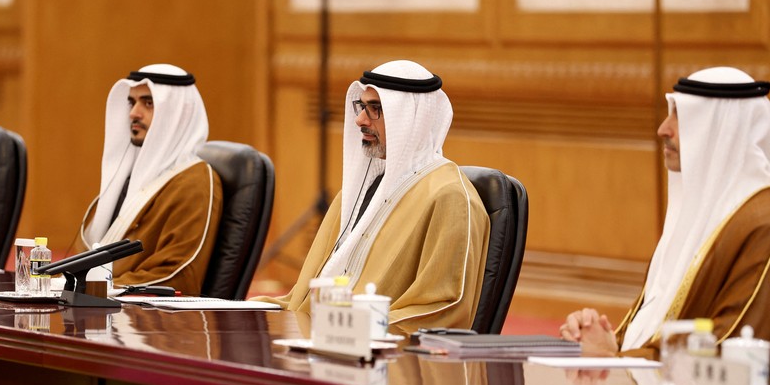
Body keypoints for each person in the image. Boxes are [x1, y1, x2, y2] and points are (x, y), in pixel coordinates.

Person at [560, 66, 770, 384]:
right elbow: (657, 321)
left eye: (682, 117)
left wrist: (618, 358)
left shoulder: (765, 220)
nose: (664, 129)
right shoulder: (699, 213)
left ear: (721, 129)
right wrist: (612, 341)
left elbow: (730, 350)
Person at [254, 60, 490, 332]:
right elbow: (307, 297)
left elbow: (444, 309)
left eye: (376, 109)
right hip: (327, 341)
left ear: (413, 118)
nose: (360, 120)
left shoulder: (449, 196)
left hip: (387, 362)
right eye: (362, 107)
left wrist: (347, 327)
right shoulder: (357, 192)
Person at [77, 64, 223, 295]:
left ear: (178, 114)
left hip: (147, 321)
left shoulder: (194, 183)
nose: (134, 113)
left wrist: (99, 288)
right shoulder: (129, 178)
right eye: (132, 102)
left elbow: (176, 275)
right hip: (104, 305)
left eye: (148, 103)